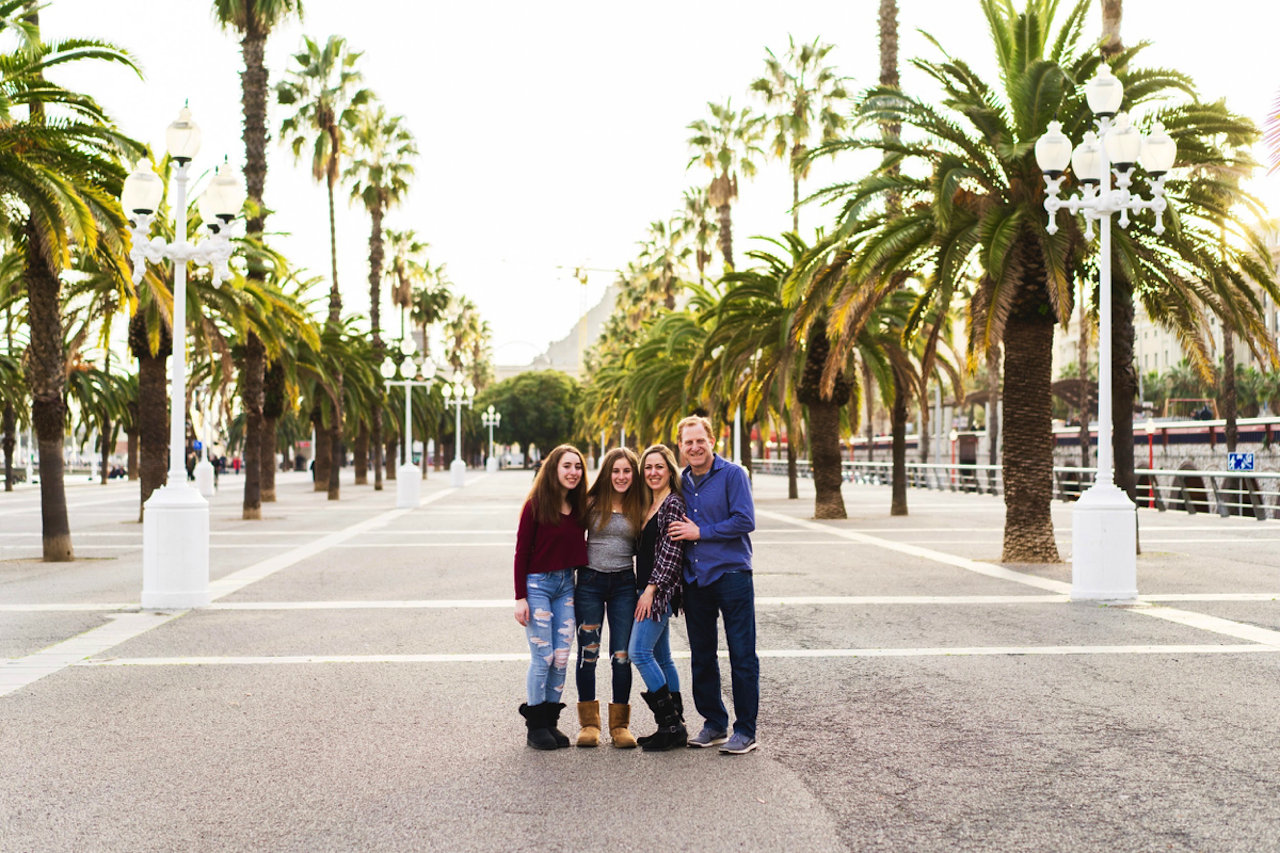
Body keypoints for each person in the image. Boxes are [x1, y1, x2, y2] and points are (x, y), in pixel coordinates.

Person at [669, 415, 759, 755]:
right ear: (680, 446)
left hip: (732, 575)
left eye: (699, 441)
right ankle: (714, 723)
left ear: (712, 442)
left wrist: (701, 532)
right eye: (687, 442)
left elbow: (745, 519)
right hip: (695, 579)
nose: (694, 447)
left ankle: (746, 731)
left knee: (742, 655)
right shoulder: (680, 481)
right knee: (702, 656)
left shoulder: (733, 475)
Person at [513, 443, 588, 750]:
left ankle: (551, 723)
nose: (573, 472)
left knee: (561, 657)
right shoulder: (535, 506)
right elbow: (521, 553)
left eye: (578, 467)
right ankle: (535, 727)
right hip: (538, 587)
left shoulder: (581, 507)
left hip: (566, 587)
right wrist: (520, 597)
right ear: (553, 469)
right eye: (567, 466)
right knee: (542, 657)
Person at [573, 447, 646, 748]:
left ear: (634, 474)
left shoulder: (640, 504)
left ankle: (620, 726)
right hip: (590, 582)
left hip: (624, 585)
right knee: (588, 654)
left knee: (621, 655)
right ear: (607, 473)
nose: (621, 476)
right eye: (615, 471)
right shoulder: (590, 502)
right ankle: (589, 724)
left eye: (627, 471)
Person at [629, 444, 689, 752]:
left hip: (658, 591)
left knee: (638, 652)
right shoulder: (649, 503)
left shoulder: (672, 503)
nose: (653, 472)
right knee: (662, 657)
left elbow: (671, 553)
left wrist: (651, 590)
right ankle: (676, 724)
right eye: (648, 467)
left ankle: (670, 725)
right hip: (646, 589)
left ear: (669, 470)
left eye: (659, 467)